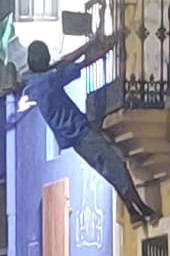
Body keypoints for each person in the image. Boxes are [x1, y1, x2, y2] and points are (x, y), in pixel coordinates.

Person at [24, 37, 158, 224]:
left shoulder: (35, 83)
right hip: (81, 133)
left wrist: (89, 43)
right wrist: (102, 50)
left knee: (110, 170)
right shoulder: (49, 80)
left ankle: (133, 213)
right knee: (117, 167)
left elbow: (63, 62)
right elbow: (79, 64)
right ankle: (142, 209)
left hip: (76, 139)